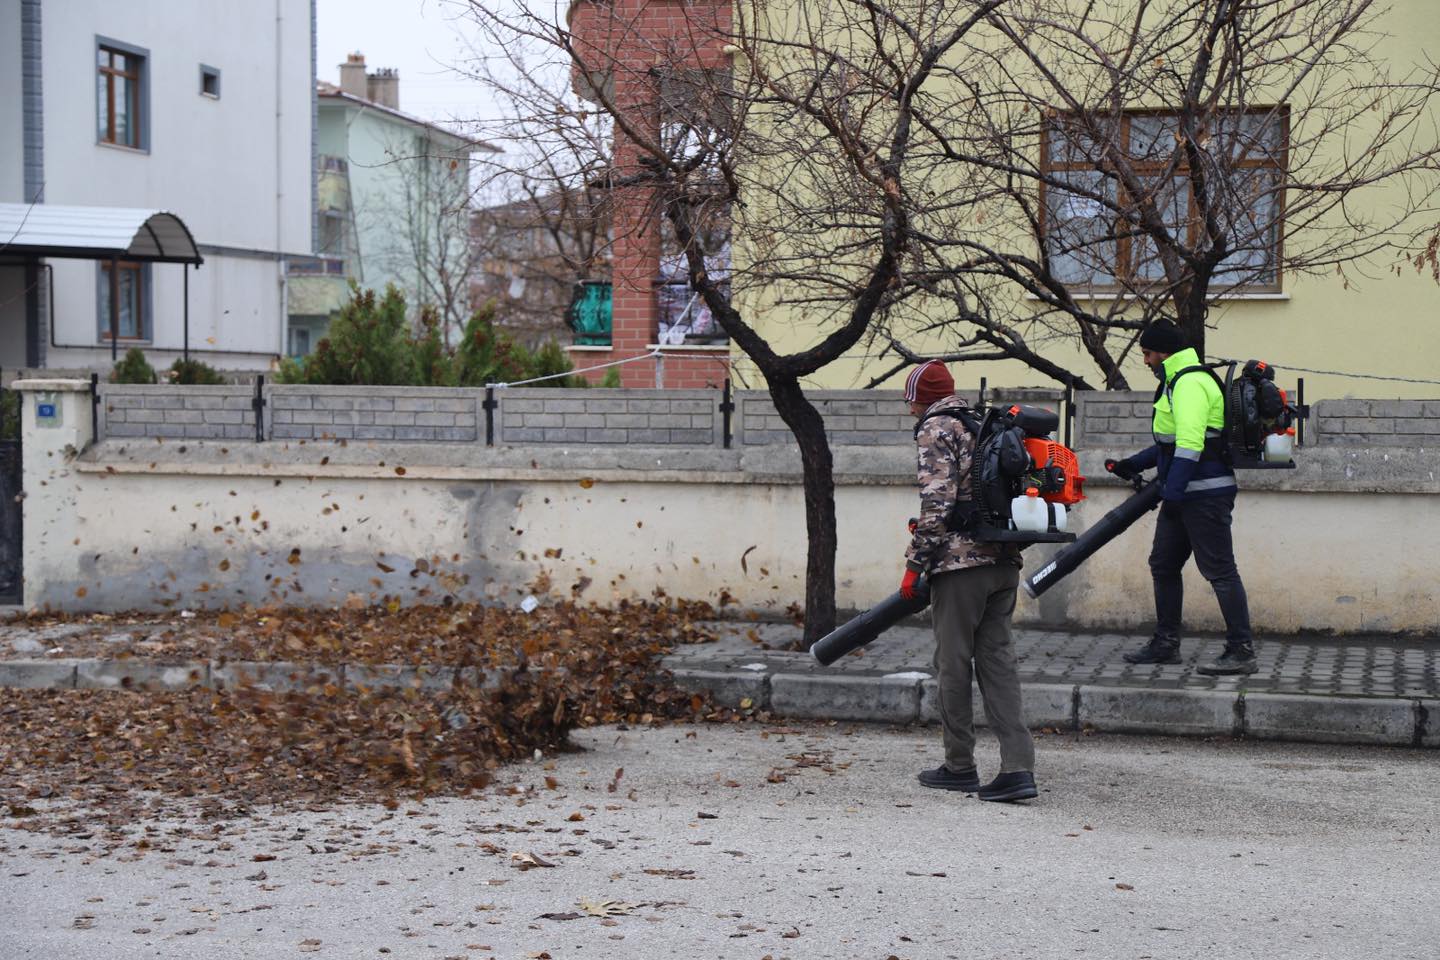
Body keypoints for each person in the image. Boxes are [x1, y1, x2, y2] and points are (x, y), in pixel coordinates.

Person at [900, 360, 1037, 803]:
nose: (908, 410)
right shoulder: (984, 424)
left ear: (920, 397)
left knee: (952, 664)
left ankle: (959, 765)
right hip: (1003, 559)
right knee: (999, 664)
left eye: (909, 400)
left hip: (961, 567)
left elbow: (937, 503)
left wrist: (915, 564)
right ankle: (1019, 768)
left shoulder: (937, 428)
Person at [1106, 321, 1257, 675]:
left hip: (1203, 495)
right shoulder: (1176, 382)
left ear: (1163, 353)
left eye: (1147, 353)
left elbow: (1191, 444)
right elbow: (1169, 445)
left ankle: (1242, 650)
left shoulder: (1189, 383)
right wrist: (1133, 463)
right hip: (1184, 495)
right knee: (1163, 564)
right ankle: (1166, 644)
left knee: (1220, 570)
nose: (1144, 361)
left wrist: (1172, 494)